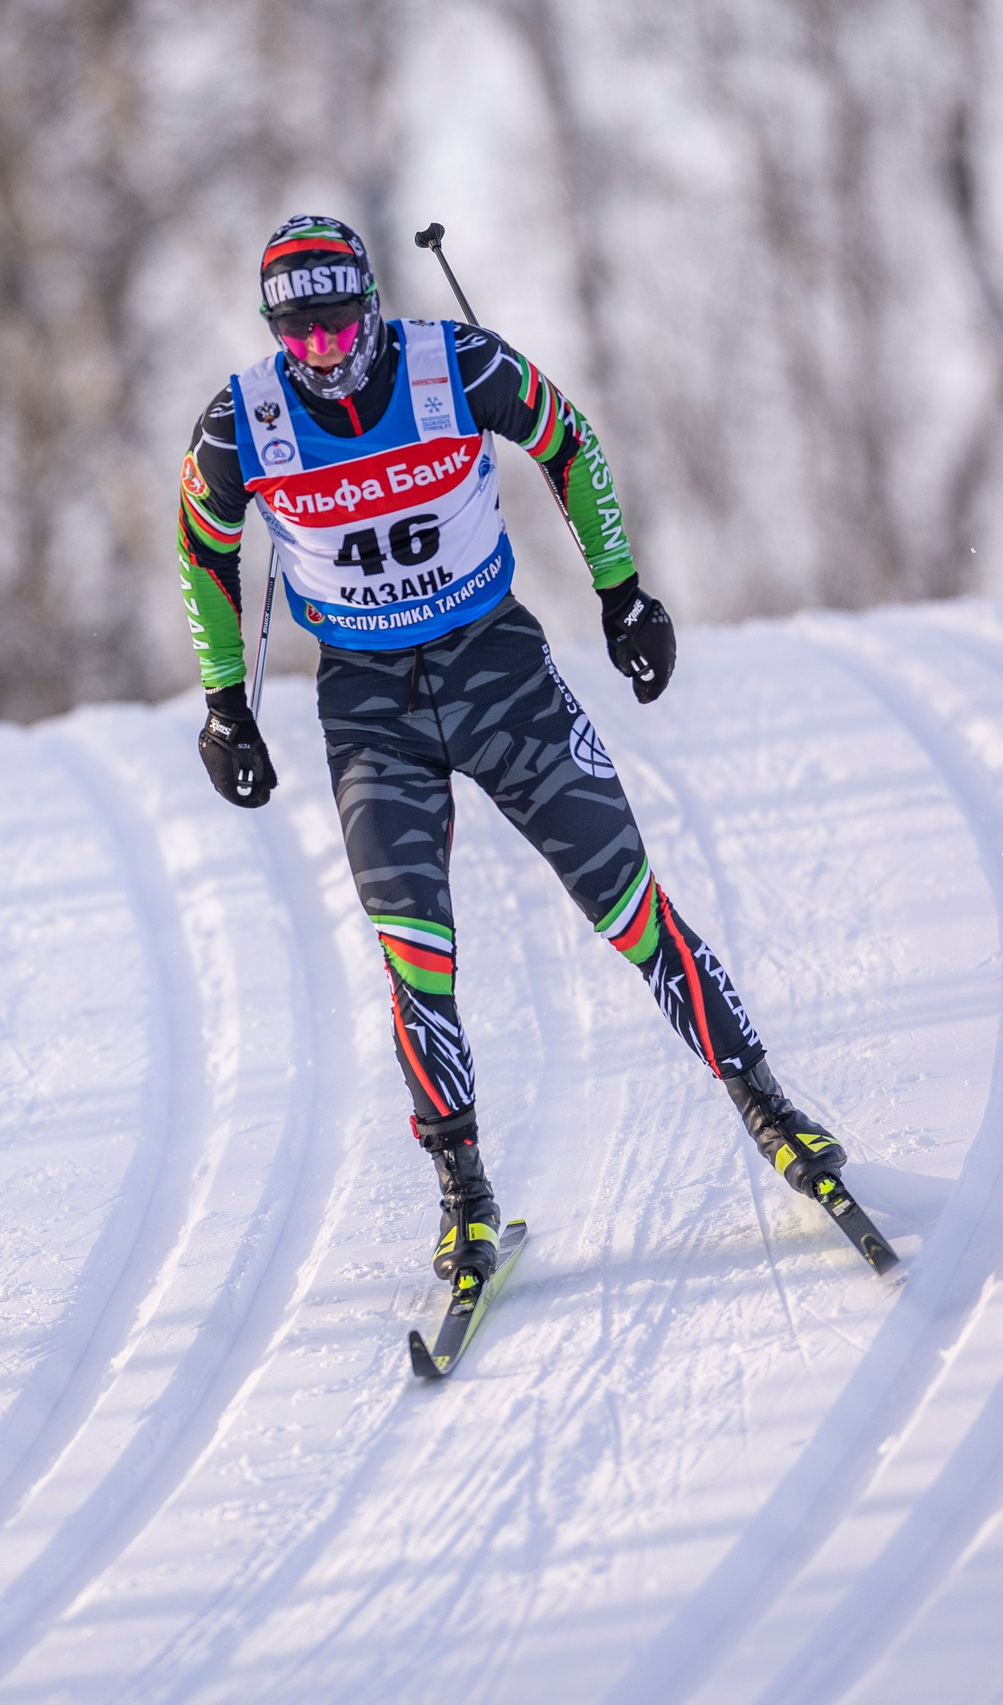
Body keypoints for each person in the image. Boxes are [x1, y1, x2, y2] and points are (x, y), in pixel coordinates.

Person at [178, 214, 848, 1293]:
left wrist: (622, 596)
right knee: (414, 950)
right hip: (369, 708)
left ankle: (771, 1107)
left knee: (627, 902)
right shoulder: (241, 424)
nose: (321, 351)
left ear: (372, 303)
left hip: (499, 673)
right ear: (272, 334)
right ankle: (463, 1198)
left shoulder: (454, 364)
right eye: (294, 334)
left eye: (338, 322)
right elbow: (202, 546)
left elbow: (567, 444)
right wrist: (225, 706)